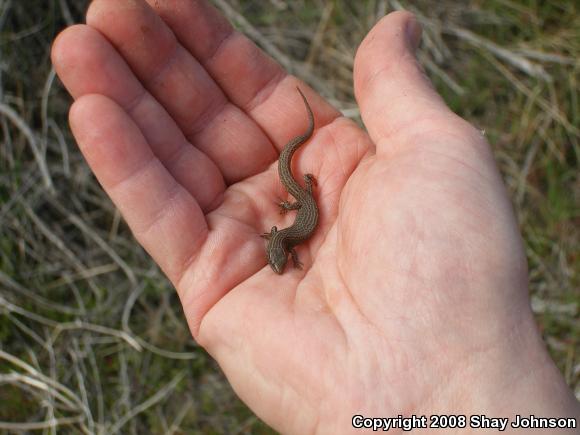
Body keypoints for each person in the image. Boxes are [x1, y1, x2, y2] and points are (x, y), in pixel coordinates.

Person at [51, 1, 579, 433]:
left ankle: (298, 155)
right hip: (301, 198)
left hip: (303, 197)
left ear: (280, 247)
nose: (279, 258)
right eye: (278, 256)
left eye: (278, 257)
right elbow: (290, 237)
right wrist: (296, 202)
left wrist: (300, 201)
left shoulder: (288, 233)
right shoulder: (285, 235)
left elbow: (294, 235)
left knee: (296, 173)